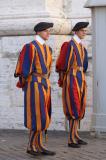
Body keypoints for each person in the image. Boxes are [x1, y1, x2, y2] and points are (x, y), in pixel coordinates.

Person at [14, 22, 56, 155]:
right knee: (37, 115)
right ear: (38, 32)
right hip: (34, 84)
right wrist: (27, 83)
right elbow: (24, 69)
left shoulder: (48, 49)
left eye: (49, 31)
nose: (48, 33)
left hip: (45, 83)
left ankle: (39, 145)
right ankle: (30, 146)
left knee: (44, 114)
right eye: (46, 31)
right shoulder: (30, 47)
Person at [56, 22, 89, 148]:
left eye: (85, 31)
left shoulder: (81, 46)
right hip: (72, 78)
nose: (84, 33)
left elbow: (84, 65)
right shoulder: (68, 45)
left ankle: (76, 135)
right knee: (73, 106)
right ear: (76, 31)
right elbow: (61, 64)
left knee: (80, 106)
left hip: (80, 78)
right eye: (82, 31)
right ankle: (71, 139)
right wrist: (63, 79)